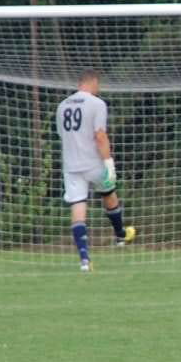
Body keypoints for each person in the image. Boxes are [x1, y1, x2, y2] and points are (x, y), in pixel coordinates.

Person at [56, 69, 135, 271]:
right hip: (94, 163)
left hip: (72, 165)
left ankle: (84, 260)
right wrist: (109, 162)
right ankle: (120, 235)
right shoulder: (97, 104)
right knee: (108, 193)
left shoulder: (62, 105)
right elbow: (100, 136)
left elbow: (62, 135)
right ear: (93, 82)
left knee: (78, 206)